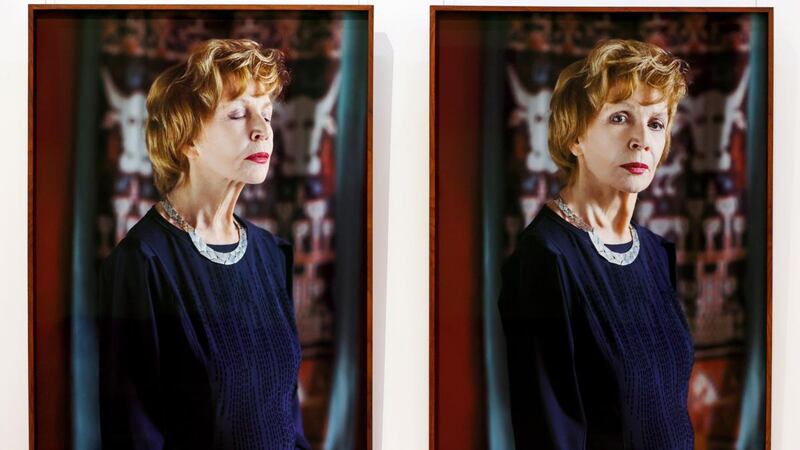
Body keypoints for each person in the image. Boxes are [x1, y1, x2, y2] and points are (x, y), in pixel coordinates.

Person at [97, 39, 310, 450]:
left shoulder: (271, 253)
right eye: (237, 113)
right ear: (187, 139)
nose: (262, 129)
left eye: (266, 114)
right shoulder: (142, 264)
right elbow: (133, 434)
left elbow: (289, 421)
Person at [498, 39, 694, 449]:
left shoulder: (657, 254)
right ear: (575, 137)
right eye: (620, 117)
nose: (642, 138)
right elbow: (549, 436)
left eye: (656, 123)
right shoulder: (545, 260)